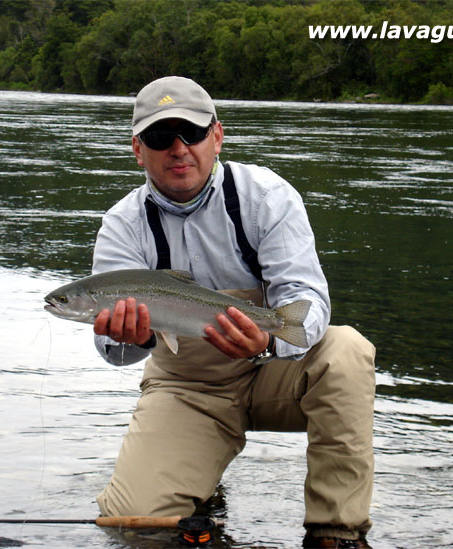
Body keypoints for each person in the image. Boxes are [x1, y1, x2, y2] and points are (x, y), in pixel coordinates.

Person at [90, 76, 376, 548]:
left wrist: (268, 338)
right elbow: (112, 352)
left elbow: (308, 301)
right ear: (138, 150)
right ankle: (196, 480)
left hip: (274, 372)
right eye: (162, 138)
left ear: (217, 137)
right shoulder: (123, 226)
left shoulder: (266, 196)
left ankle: (335, 531)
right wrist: (133, 338)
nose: (179, 149)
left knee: (346, 351)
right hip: (188, 388)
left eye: (193, 134)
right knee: (130, 525)